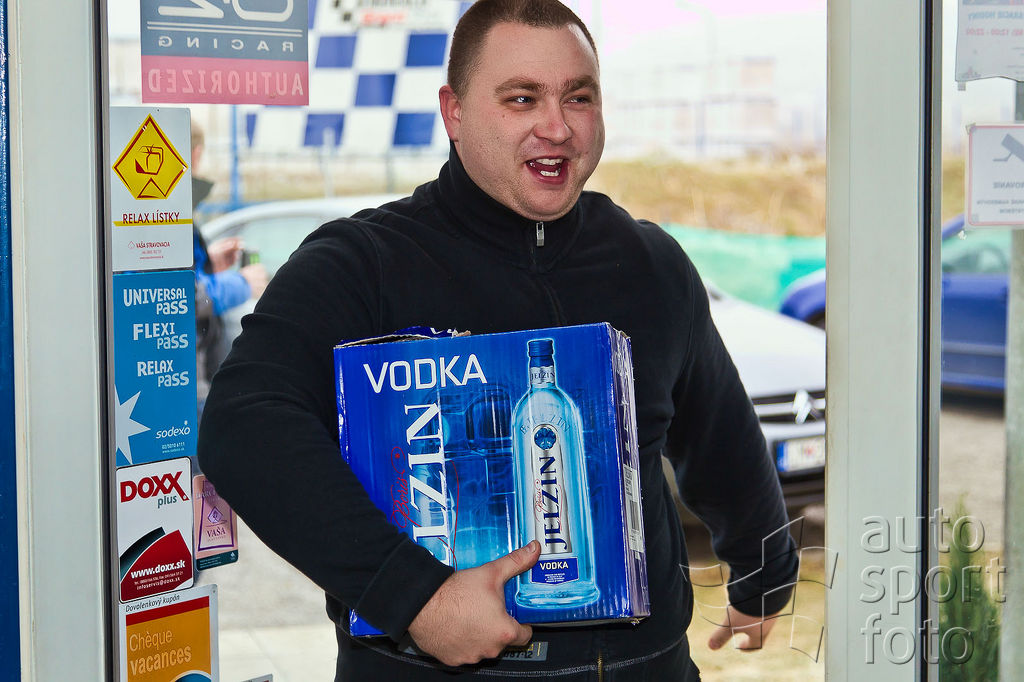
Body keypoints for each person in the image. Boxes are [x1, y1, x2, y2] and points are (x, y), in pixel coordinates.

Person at [198, 1, 798, 679]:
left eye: (579, 97)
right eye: (522, 98)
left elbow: (721, 436)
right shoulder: (362, 264)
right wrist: (415, 596)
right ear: (454, 113)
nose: (557, 127)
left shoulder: (650, 264)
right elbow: (243, 427)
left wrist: (765, 572)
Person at [189, 126, 267, 408]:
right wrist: (243, 283)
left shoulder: (153, 207)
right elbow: (184, 296)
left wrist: (210, 263)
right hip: (188, 377)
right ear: (196, 154)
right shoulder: (164, 208)